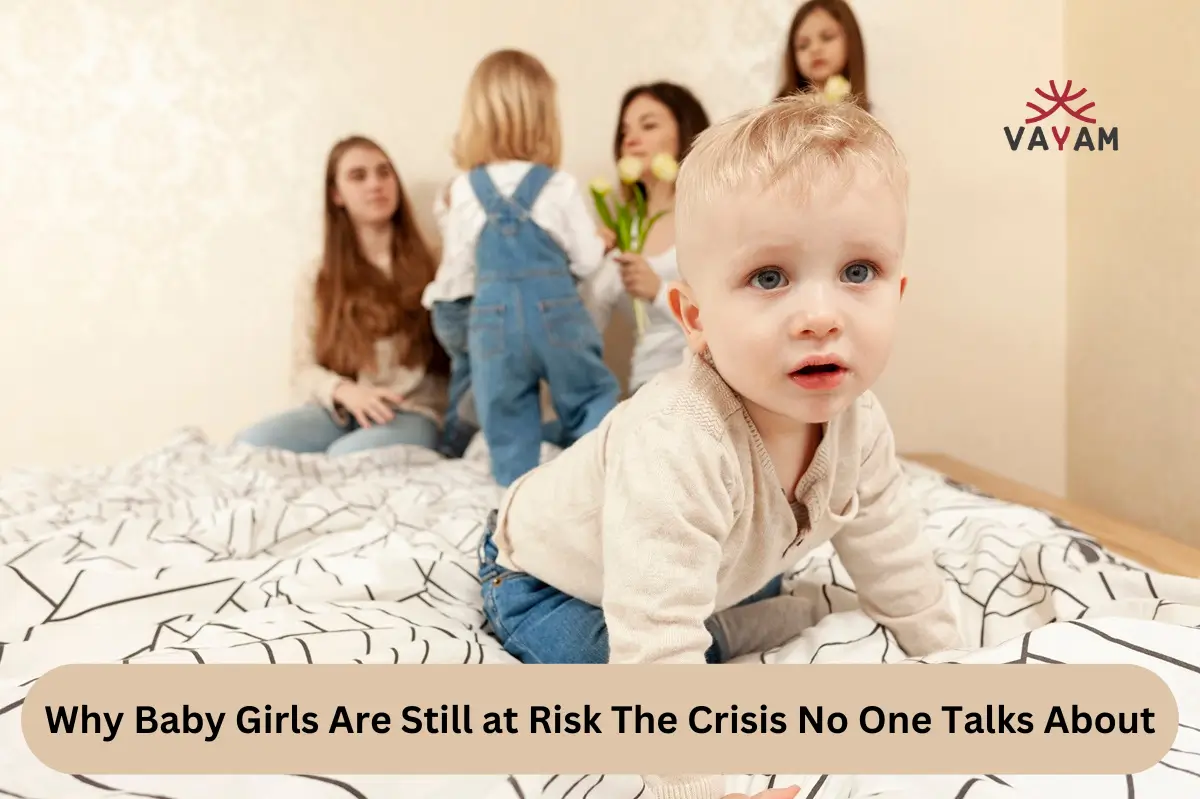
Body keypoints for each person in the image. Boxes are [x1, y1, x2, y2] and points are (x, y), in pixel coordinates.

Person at [476, 92, 965, 798]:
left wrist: (959, 667)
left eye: (859, 271)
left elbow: (896, 561)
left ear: (899, 289)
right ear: (695, 319)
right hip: (546, 579)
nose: (821, 316)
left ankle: (726, 619)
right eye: (770, 277)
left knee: (711, 576)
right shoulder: (679, 437)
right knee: (606, 669)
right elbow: (653, 645)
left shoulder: (862, 423)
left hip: (693, 569)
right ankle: (725, 630)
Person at [423, 48, 621, 486]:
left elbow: (459, 267)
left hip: (491, 320)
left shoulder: (463, 190)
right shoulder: (558, 184)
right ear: (543, 117)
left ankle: (520, 503)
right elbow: (586, 262)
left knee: (507, 417)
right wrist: (601, 242)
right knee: (588, 395)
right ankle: (597, 485)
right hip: (557, 315)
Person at [234, 136, 449, 456]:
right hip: (341, 410)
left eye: (384, 172)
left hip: (410, 412)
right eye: (358, 176)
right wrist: (345, 391)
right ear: (336, 194)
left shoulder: (437, 262)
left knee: (347, 459)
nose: (375, 184)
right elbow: (302, 368)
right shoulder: (317, 276)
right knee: (249, 446)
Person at [580, 81, 711, 395]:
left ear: (684, 131)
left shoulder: (707, 217)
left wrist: (659, 292)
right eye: (625, 131)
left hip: (704, 382)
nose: (632, 139)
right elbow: (587, 327)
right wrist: (585, 264)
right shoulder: (626, 229)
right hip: (645, 387)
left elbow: (730, 317)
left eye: (648, 125)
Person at [776, 0, 871, 111]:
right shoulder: (779, 114)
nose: (815, 49)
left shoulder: (868, 117)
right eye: (803, 45)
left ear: (851, 39)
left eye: (827, 37)